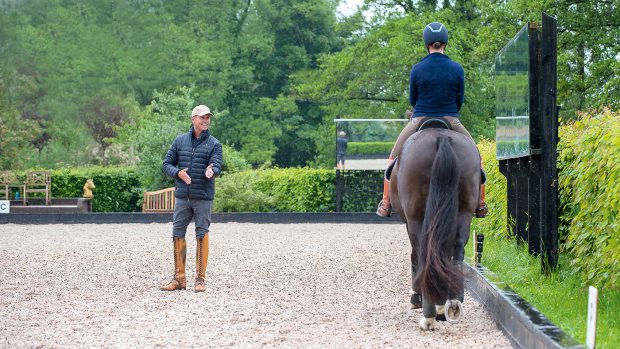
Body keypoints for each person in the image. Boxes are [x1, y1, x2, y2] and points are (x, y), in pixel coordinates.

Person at [376, 21, 488, 218]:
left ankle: (385, 203)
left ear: (426, 43)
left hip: (419, 119)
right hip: (451, 119)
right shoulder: (457, 68)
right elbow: (459, 99)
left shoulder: (417, 68)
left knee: (392, 159)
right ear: (445, 42)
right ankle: (480, 203)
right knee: (477, 159)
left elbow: (413, 98)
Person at [160, 104, 223, 292]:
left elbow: (217, 165)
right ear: (193, 119)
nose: (206, 120)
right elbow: (166, 164)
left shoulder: (215, 144)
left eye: (208, 117)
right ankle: (179, 279)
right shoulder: (179, 141)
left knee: (202, 234)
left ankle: (200, 280)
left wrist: (212, 171)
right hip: (182, 197)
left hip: (203, 197)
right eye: (202, 117)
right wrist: (178, 173)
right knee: (177, 233)